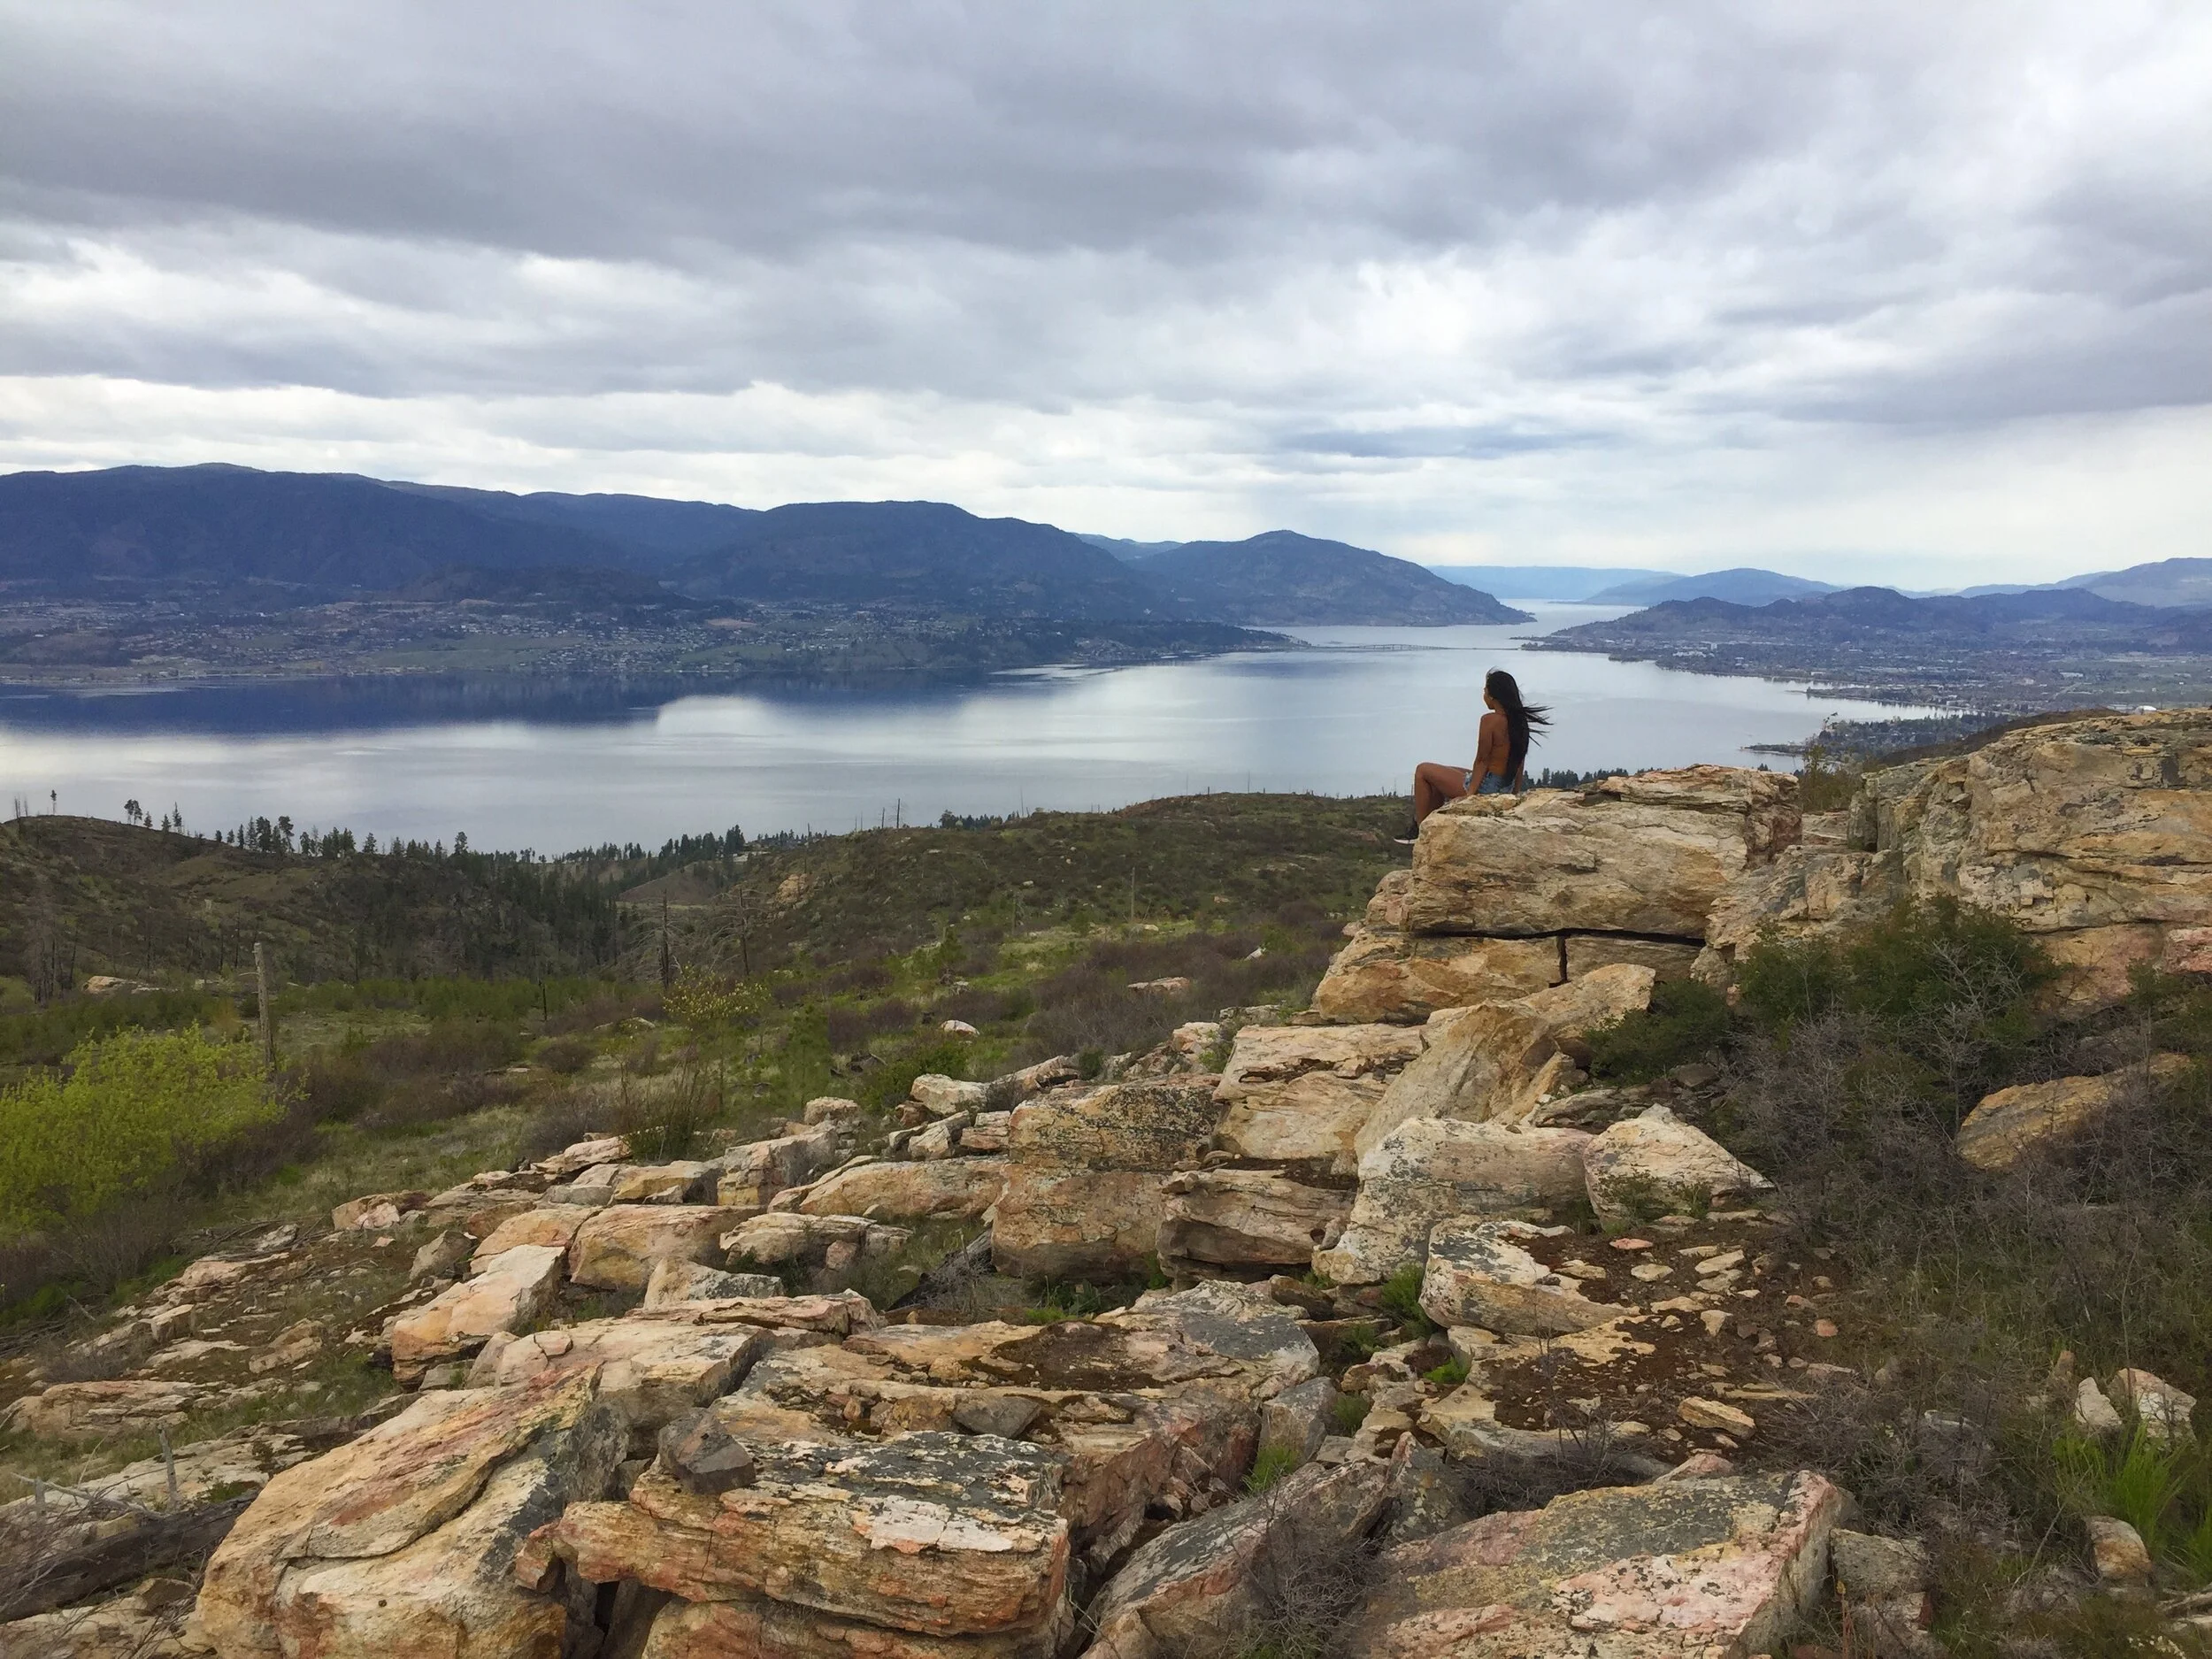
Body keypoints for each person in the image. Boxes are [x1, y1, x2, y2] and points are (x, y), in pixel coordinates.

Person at [1396, 669, 1551, 842]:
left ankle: (1420, 832)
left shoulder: (1490, 720)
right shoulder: (1519, 722)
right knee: (1445, 772)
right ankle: (1430, 824)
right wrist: (1514, 795)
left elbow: (1482, 761)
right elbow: (1519, 762)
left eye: (1485, 691)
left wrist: (1470, 795)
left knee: (1423, 770)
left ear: (1493, 696)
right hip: (1504, 787)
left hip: (1486, 788)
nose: (1483, 695)